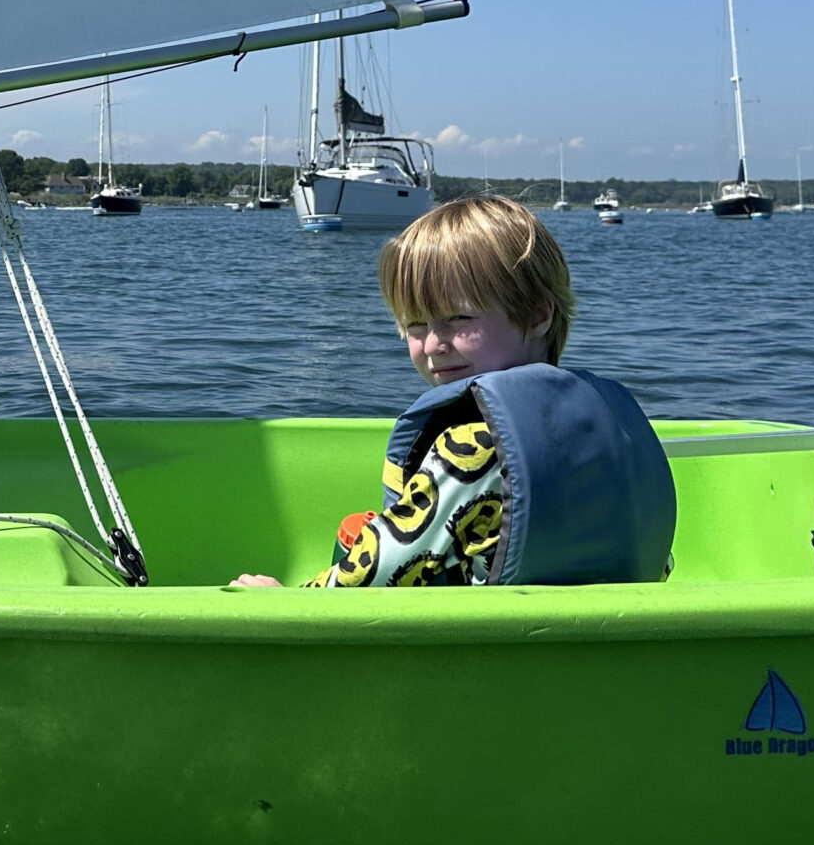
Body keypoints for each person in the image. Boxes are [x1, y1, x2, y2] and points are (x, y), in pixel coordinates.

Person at [235, 196, 672, 589]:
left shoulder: (473, 447)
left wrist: (287, 602)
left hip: (490, 642)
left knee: (358, 541)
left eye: (459, 319)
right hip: (600, 636)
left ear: (538, 315)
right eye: (415, 325)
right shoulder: (616, 425)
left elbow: (377, 575)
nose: (432, 344)